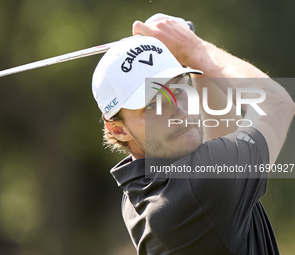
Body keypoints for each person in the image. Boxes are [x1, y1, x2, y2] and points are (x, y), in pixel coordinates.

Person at [92, 13, 295, 255]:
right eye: (152, 103)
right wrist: (193, 48)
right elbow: (277, 104)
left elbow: (222, 134)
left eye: (178, 86)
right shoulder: (197, 190)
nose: (178, 110)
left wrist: (192, 55)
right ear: (117, 129)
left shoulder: (140, 186)